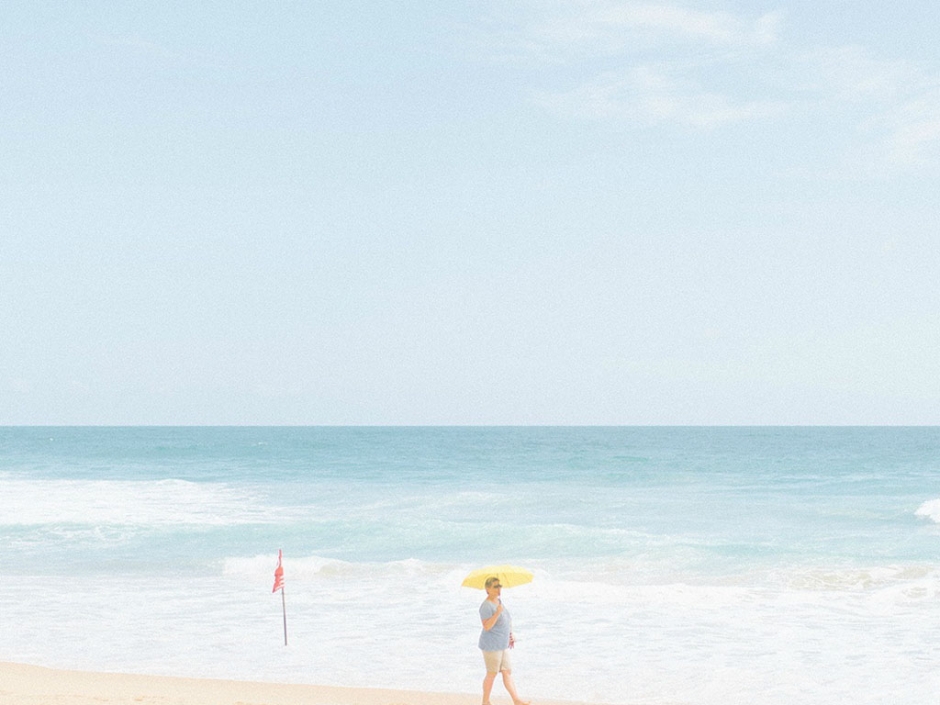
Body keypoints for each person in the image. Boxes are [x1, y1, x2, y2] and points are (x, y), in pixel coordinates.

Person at [478, 576, 530, 705]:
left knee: (507, 671)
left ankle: (516, 700)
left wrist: (510, 635)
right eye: (495, 586)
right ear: (487, 589)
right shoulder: (486, 606)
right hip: (491, 645)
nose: (499, 588)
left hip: (502, 644)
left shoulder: (499, 602)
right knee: (492, 673)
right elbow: (487, 626)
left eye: (499, 586)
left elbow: (507, 619)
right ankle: (485, 701)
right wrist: (496, 613)